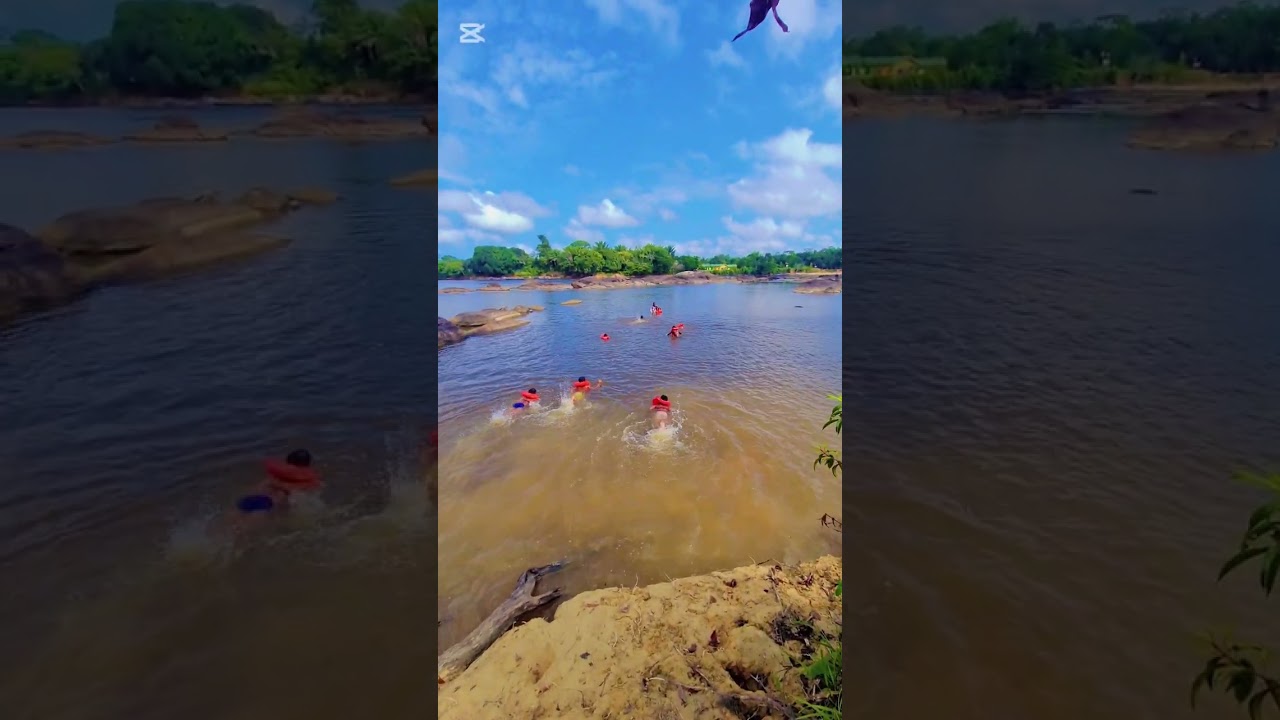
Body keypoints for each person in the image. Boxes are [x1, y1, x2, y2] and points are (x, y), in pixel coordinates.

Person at [235, 449, 320, 515]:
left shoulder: (275, 476)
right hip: (267, 504)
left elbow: (258, 487)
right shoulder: (303, 482)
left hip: (249, 499)